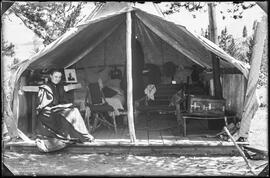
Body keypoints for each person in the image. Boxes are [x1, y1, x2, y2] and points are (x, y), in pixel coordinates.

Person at [35, 69, 94, 152]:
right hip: (48, 112)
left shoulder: (60, 87)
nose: (57, 79)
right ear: (51, 76)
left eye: (59, 77)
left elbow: (63, 100)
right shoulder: (45, 88)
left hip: (58, 109)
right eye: (55, 77)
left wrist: (64, 105)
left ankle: (83, 135)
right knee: (68, 114)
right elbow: (43, 106)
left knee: (74, 111)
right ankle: (80, 136)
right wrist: (57, 107)